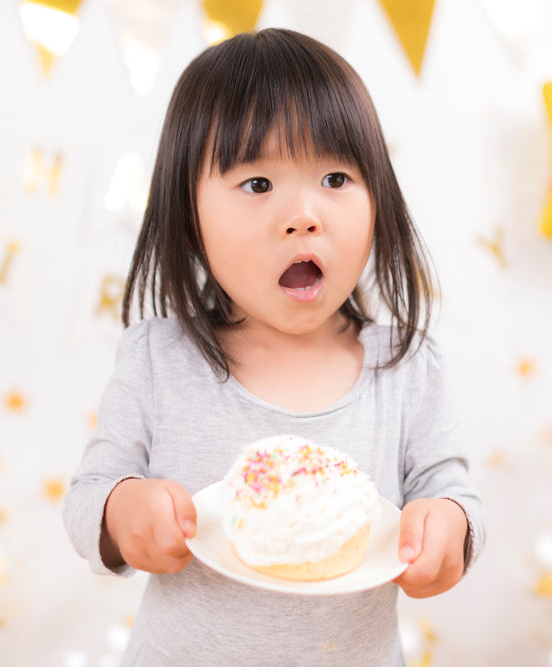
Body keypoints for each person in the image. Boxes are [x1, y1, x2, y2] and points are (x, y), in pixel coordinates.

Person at [63, 28, 484, 666]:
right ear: (188, 213)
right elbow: (90, 494)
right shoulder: (159, 360)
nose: (303, 215)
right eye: (258, 184)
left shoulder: (405, 368)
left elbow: (449, 488)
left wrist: (447, 522)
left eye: (337, 176)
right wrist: (122, 510)